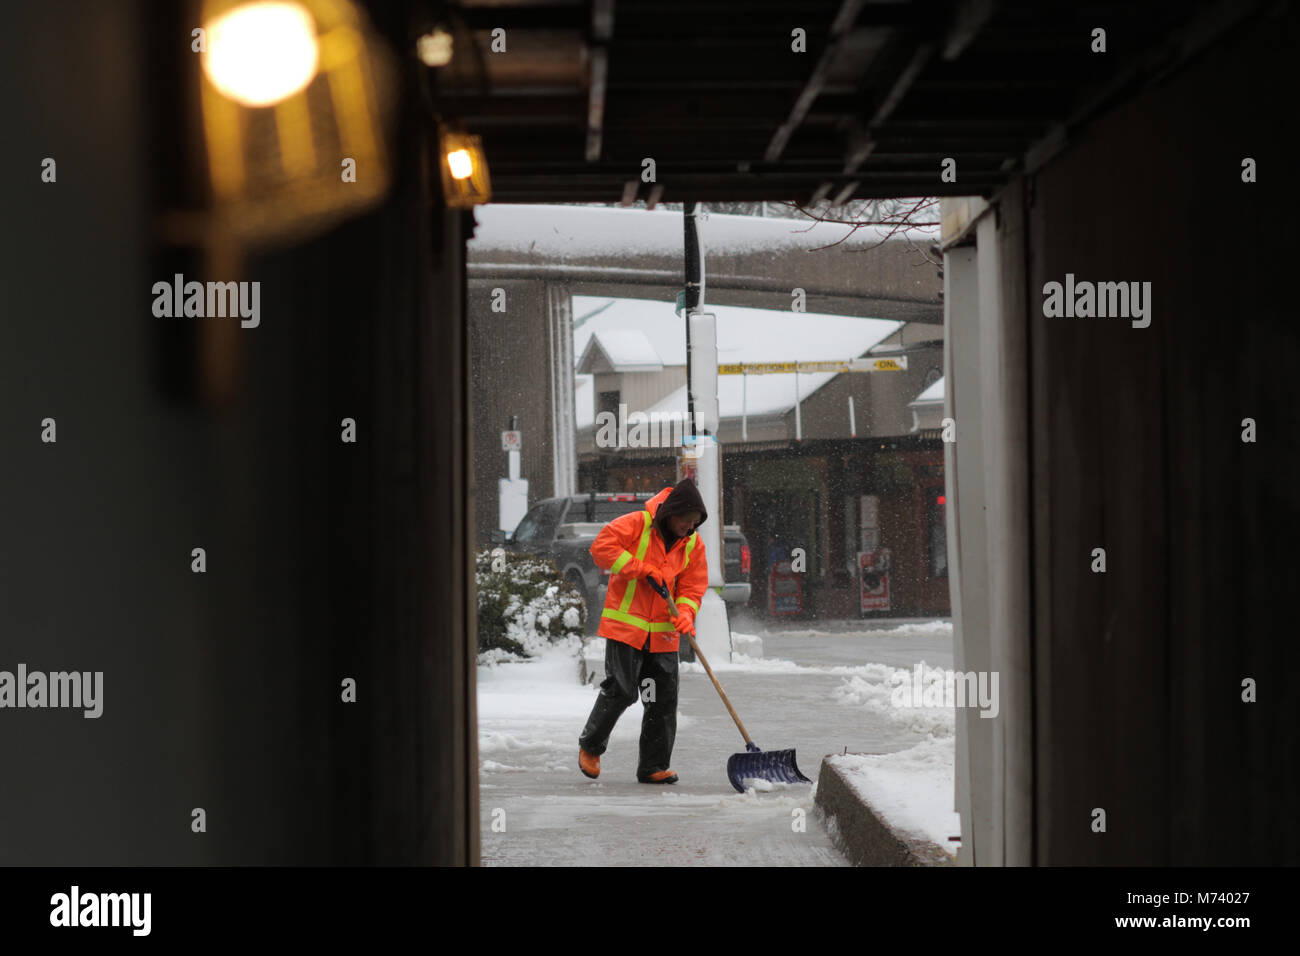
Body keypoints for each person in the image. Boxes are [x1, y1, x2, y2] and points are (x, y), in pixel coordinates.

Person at [578, 478, 709, 784]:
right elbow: (602, 548)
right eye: (686, 521)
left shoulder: (692, 543)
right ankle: (590, 746)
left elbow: (692, 585)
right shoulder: (638, 524)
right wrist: (640, 568)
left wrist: (687, 613)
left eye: (695, 524)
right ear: (671, 513)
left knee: (663, 699)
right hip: (627, 626)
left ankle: (653, 766)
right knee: (622, 690)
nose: (689, 529)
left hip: (663, 632)